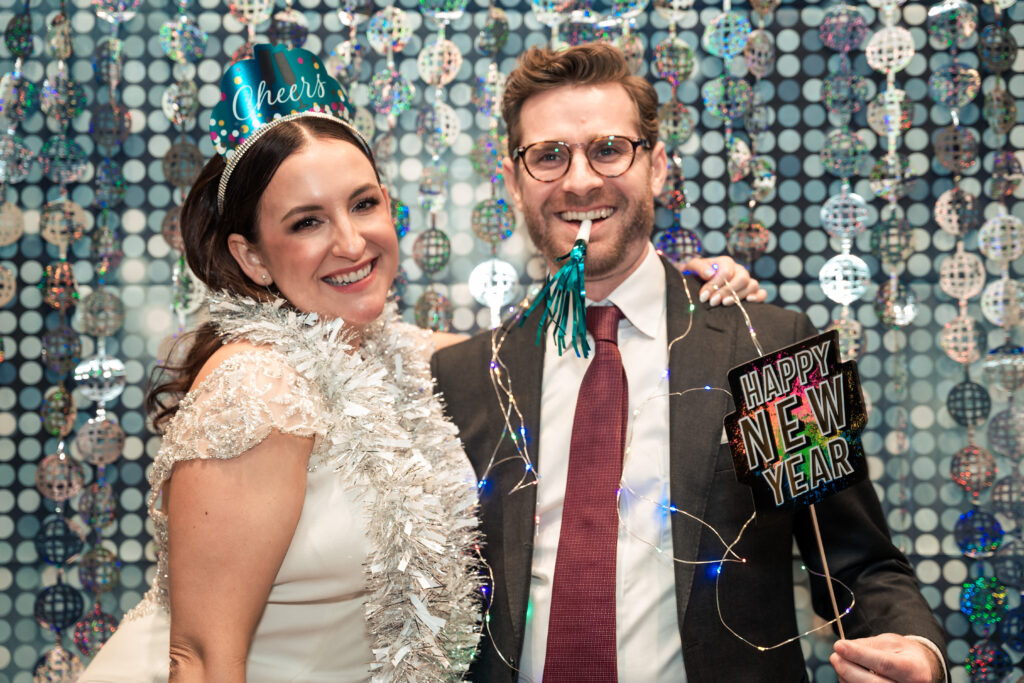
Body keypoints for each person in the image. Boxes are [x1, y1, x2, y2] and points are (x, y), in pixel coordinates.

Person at [80, 43, 761, 682]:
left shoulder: (400, 352)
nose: (350, 242)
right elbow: (199, 655)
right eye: (306, 221)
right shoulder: (254, 384)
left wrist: (684, 294)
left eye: (364, 203)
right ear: (252, 255)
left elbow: (534, 344)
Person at [430, 43, 948, 683]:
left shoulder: (768, 349)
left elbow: (857, 562)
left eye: (609, 149)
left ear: (657, 168)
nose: (581, 180)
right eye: (549, 156)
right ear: (513, 182)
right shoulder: (462, 379)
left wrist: (915, 651)